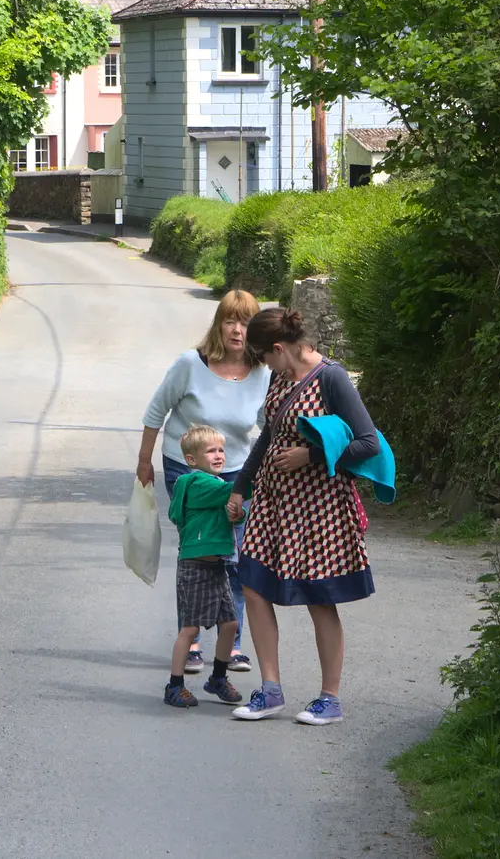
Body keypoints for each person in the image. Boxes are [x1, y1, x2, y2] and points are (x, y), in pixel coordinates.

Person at [226, 307, 379, 726]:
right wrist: (242, 486)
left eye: (264, 357)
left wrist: (310, 455)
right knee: (254, 585)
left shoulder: (332, 378)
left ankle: (330, 699)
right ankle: (270, 690)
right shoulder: (280, 377)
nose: (264, 366)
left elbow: (368, 443)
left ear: (278, 348)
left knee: (319, 598)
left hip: (319, 507)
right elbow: (268, 438)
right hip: (273, 505)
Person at [138, 289, 270, 673]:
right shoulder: (190, 364)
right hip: (188, 469)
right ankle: (191, 638)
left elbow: (267, 425)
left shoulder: (262, 373)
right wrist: (144, 461)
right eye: (230, 320)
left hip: (237, 472)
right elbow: (156, 411)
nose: (237, 329)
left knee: (236, 557)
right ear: (219, 324)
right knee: (199, 556)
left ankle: (233, 645)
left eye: (245, 321)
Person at [163, 425, 245, 709]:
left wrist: (237, 512)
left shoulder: (213, 485)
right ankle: (174, 685)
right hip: (195, 567)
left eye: (221, 449)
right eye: (211, 451)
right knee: (189, 628)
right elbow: (232, 491)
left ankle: (218, 678)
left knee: (230, 623)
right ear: (192, 460)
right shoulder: (200, 483)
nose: (219, 455)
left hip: (215, 566)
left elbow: (230, 512)